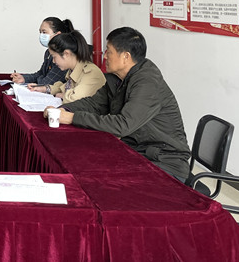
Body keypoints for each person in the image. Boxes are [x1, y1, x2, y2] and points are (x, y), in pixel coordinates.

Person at [45, 27, 191, 181]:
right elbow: (93, 104)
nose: (105, 56)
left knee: (100, 179)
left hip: (164, 162)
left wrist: (72, 118)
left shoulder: (147, 82)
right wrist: (62, 110)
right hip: (134, 151)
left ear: (125, 56)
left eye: (109, 51)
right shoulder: (116, 77)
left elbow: (123, 125)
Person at [28, 30, 105, 104]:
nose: (53, 61)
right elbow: (62, 88)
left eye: (54, 57)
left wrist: (61, 95)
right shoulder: (73, 70)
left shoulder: (91, 73)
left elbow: (75, 99)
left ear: (66, 54)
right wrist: (44, 89)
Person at [11, 17, 74, 86]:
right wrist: (24, 78)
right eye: (40, 32)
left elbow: (46, 83)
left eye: (44, 32)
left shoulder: (64, 55)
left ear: (57, 34)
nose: (41, 35)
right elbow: (41, 73)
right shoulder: (48, 52)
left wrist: (39, 80)